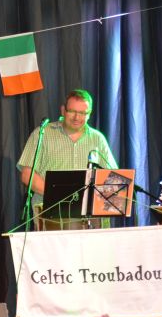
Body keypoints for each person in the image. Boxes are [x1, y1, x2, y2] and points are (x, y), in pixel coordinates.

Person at [18, 88, 118, 224]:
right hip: (50, 214)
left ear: (89, 114)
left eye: (82, 113)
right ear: (63, 110)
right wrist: (59, 196)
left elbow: (113, 178)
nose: (77, 117)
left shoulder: (97, 138)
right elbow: (27, 175)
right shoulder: (42, 133)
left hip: (90, 217)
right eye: (72, 111)